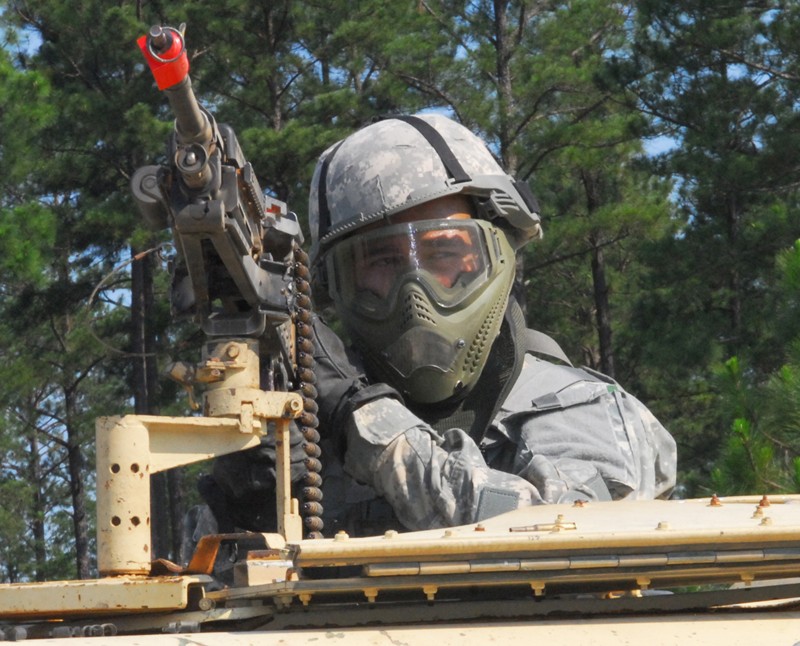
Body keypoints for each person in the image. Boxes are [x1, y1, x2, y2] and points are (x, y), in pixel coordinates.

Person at [203, 113, 677, 539]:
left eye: (445, 253)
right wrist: (254, 508)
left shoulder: (582, 410)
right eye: (381, 263)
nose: (415, 291)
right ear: (337, 285)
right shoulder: (320, 435)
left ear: (501, 252)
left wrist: (364, 419)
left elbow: (559, 535)